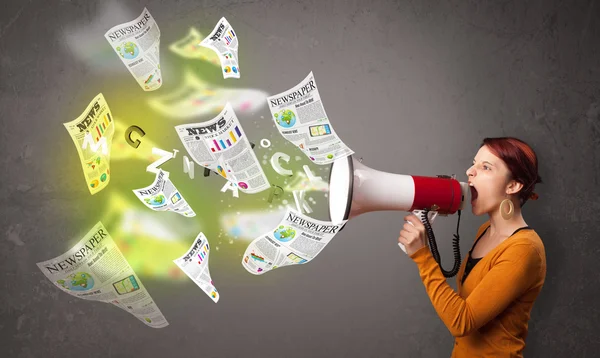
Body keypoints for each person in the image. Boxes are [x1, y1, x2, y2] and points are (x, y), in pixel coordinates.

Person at [398, 137, 546, 357]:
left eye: (485, 167)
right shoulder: (485, 231)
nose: (469, 172)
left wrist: (422, 256)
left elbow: (462, 322)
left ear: (513, 185)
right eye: (474, 163)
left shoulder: (524, 249)